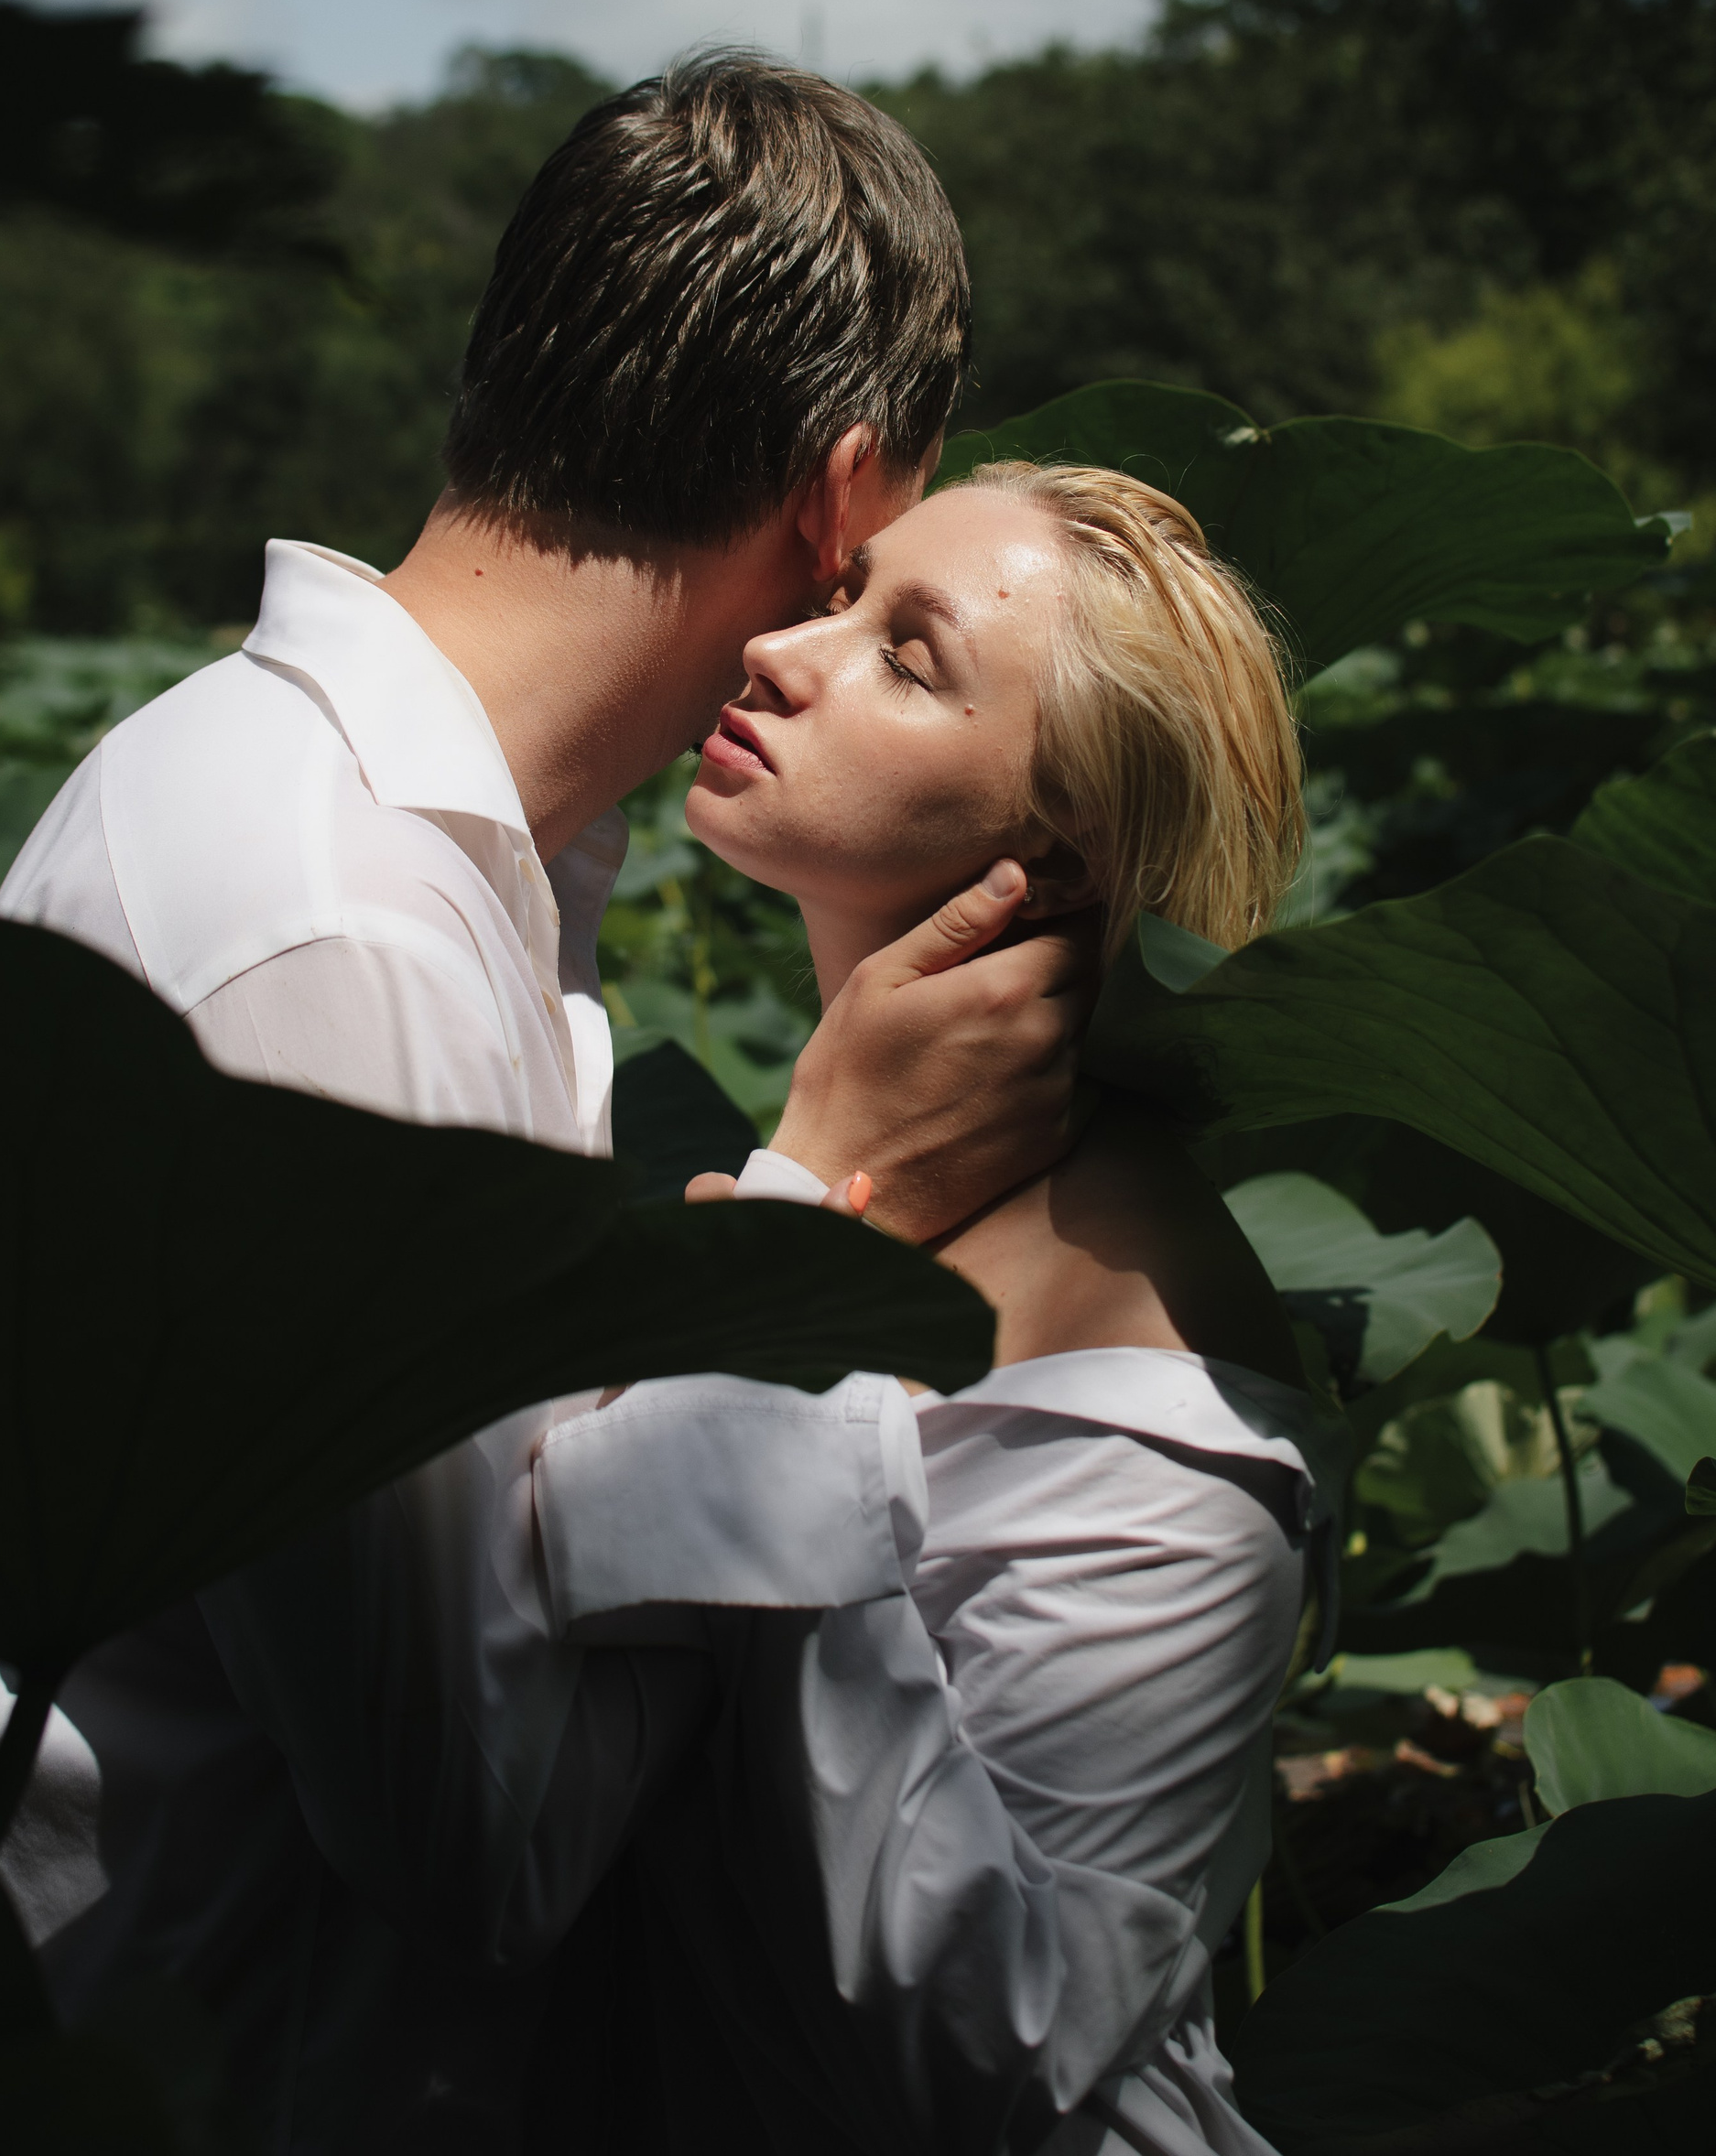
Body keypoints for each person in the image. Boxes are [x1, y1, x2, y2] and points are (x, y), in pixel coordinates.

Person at [0, 59, 1089, 2135]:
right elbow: (482, 1839)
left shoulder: (357, 824)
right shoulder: (340, 930)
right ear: (842, 497)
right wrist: (804, 1218)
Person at [199, 464, 1335, 2153]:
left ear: (1057, 862)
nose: (787, 650)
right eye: (842, 592)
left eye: (909, 658)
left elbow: (986, 2067)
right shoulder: (816, 1154)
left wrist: (782, 1353)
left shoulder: (1156, 1375)